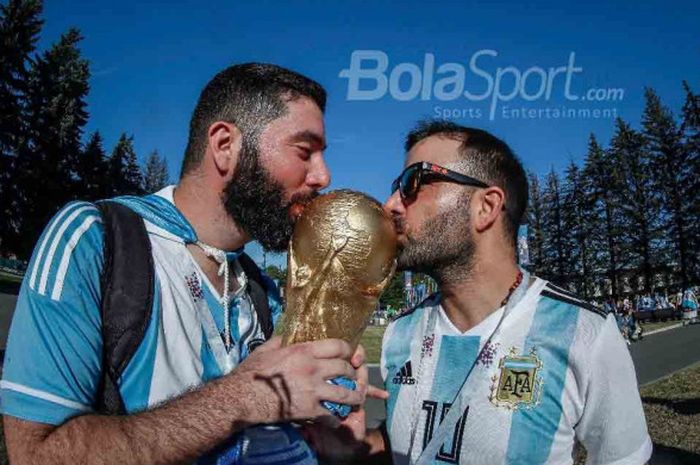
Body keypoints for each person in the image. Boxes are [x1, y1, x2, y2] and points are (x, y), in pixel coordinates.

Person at [1, 63, 370, 465]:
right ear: (225, 145)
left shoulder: (261, 290)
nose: (323, 176)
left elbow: (277, 423)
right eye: (305, 151)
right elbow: (34, 453)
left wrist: (324, 424)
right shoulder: (97, 239)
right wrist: (248, 395)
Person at [306, 120, 652, 465]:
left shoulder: (583, 333)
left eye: (413, 182)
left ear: (485, 207)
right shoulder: (400, 333)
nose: (391, 204)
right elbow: (413, 443)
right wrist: (357, 448)